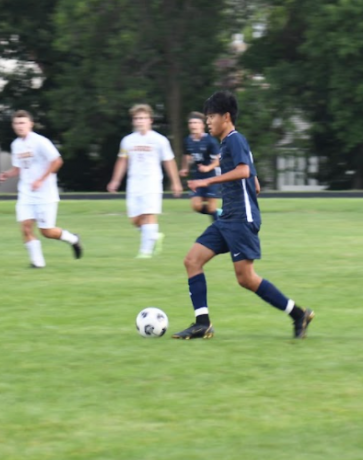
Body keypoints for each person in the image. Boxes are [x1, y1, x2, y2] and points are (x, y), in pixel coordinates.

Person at [172, 90, 315, 340]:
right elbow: (255, 184)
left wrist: (209, 181)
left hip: (240, 219)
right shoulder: (229, 143)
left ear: (226, 117)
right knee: (192, 261)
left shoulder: (235, 140)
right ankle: (202, 323)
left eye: (211, 117)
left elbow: (244, 172)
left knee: (246, 278)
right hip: (229, 217)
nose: (207, 122)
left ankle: (298, 314)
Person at [0, 110, 82, 268]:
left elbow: (57, 161)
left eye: (23, 123)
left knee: (47, 231)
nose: (19, 126)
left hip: (45, 194)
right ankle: (37, 263)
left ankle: (73, 239)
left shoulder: (40, 142)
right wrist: (6, 174)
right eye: (16, 123)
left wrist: (41, 180)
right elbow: (18, 169)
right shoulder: (15, 145)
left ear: (30, 124)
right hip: (26, 193)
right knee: (26, 227)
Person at [107, 104, 183, 258]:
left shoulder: (159, 140)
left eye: (143, 118)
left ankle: (145, 252)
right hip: (134, 183)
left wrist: (176, 182)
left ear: (150, 120)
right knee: (134, 219)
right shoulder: (127, 141)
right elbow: (122, 161)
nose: (140, 121)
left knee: (149, 214)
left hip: (152, 182)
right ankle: (154, 236)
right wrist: (115, 180)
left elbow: (169, 161)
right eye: (137, 118)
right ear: (133, 121)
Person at [178, 111, 221, 221]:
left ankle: (219, 226)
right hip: (197, 176)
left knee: (211, 208)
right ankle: (220, 214)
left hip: (212, 176)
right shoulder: (187, 140)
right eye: (191, 123)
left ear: (202, 125)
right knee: (196, 206)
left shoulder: (210, 141)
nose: (193, 125)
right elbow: (186, 155)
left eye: (196, 122)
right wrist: (185, 168)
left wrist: (208, 168)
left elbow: (218, 160)